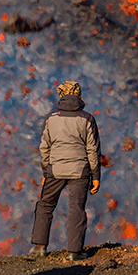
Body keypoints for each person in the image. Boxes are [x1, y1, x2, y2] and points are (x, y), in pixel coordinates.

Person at [30, 81, 101, 261]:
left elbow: (44, 148)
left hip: (55, 168)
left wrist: (46, 172)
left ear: (61, 95)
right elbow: (92, 150)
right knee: (76, 209)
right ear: (79, 95)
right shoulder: (87, 118)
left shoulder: (51, 118)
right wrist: (96, 176)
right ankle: (73, 252)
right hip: (79, 170)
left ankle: (39, 247)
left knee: (45, 205)